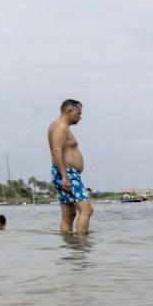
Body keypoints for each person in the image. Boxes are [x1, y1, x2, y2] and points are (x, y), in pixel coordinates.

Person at [47, 98, 93, 234]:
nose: (80, 116)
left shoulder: (63, 127)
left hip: (65, 173)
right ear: (69, 110)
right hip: (66, 173)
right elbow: (57, 150)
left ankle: (69, 247)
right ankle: (81, 245)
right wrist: (65, 177)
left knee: (69, 215)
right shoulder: (60, 126)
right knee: (86, 209)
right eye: (78, 113)